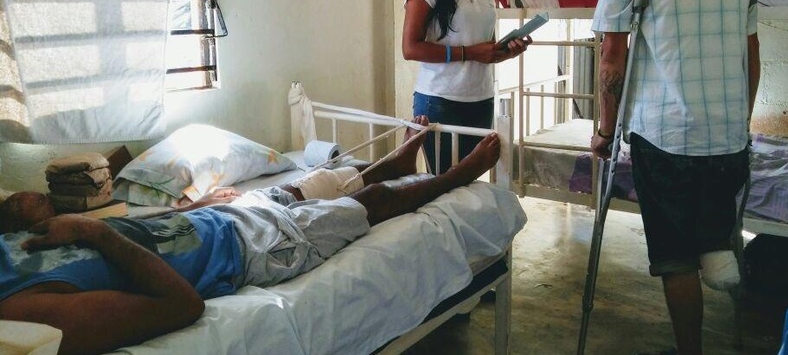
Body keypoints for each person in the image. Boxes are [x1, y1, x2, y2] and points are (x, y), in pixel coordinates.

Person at [0, 118, 502, 355]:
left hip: (218, 219)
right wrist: (94, 231)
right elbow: (182, 307)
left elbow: (122, 233)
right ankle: (456, 178)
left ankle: (390, 165)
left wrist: (194, 207)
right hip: (247, 253)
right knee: (366, 208)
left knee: (306, 186)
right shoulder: (27, 313)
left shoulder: (8, 250)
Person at [589, 0, 760, 355]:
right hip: (729, 137)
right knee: (710, 232)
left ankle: (691, 350)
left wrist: (603, 131)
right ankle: (720, 260)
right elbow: (752, 57)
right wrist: (739, 122)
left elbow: (611, 55)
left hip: (666, 137)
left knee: (674, 258)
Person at [403, 0, 531, 174]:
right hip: (440, 101)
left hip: (480, 98)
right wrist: (470, 53)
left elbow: (485, 48)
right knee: (445, 185)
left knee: (471, 181)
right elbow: (410, 48)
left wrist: (508, 51)